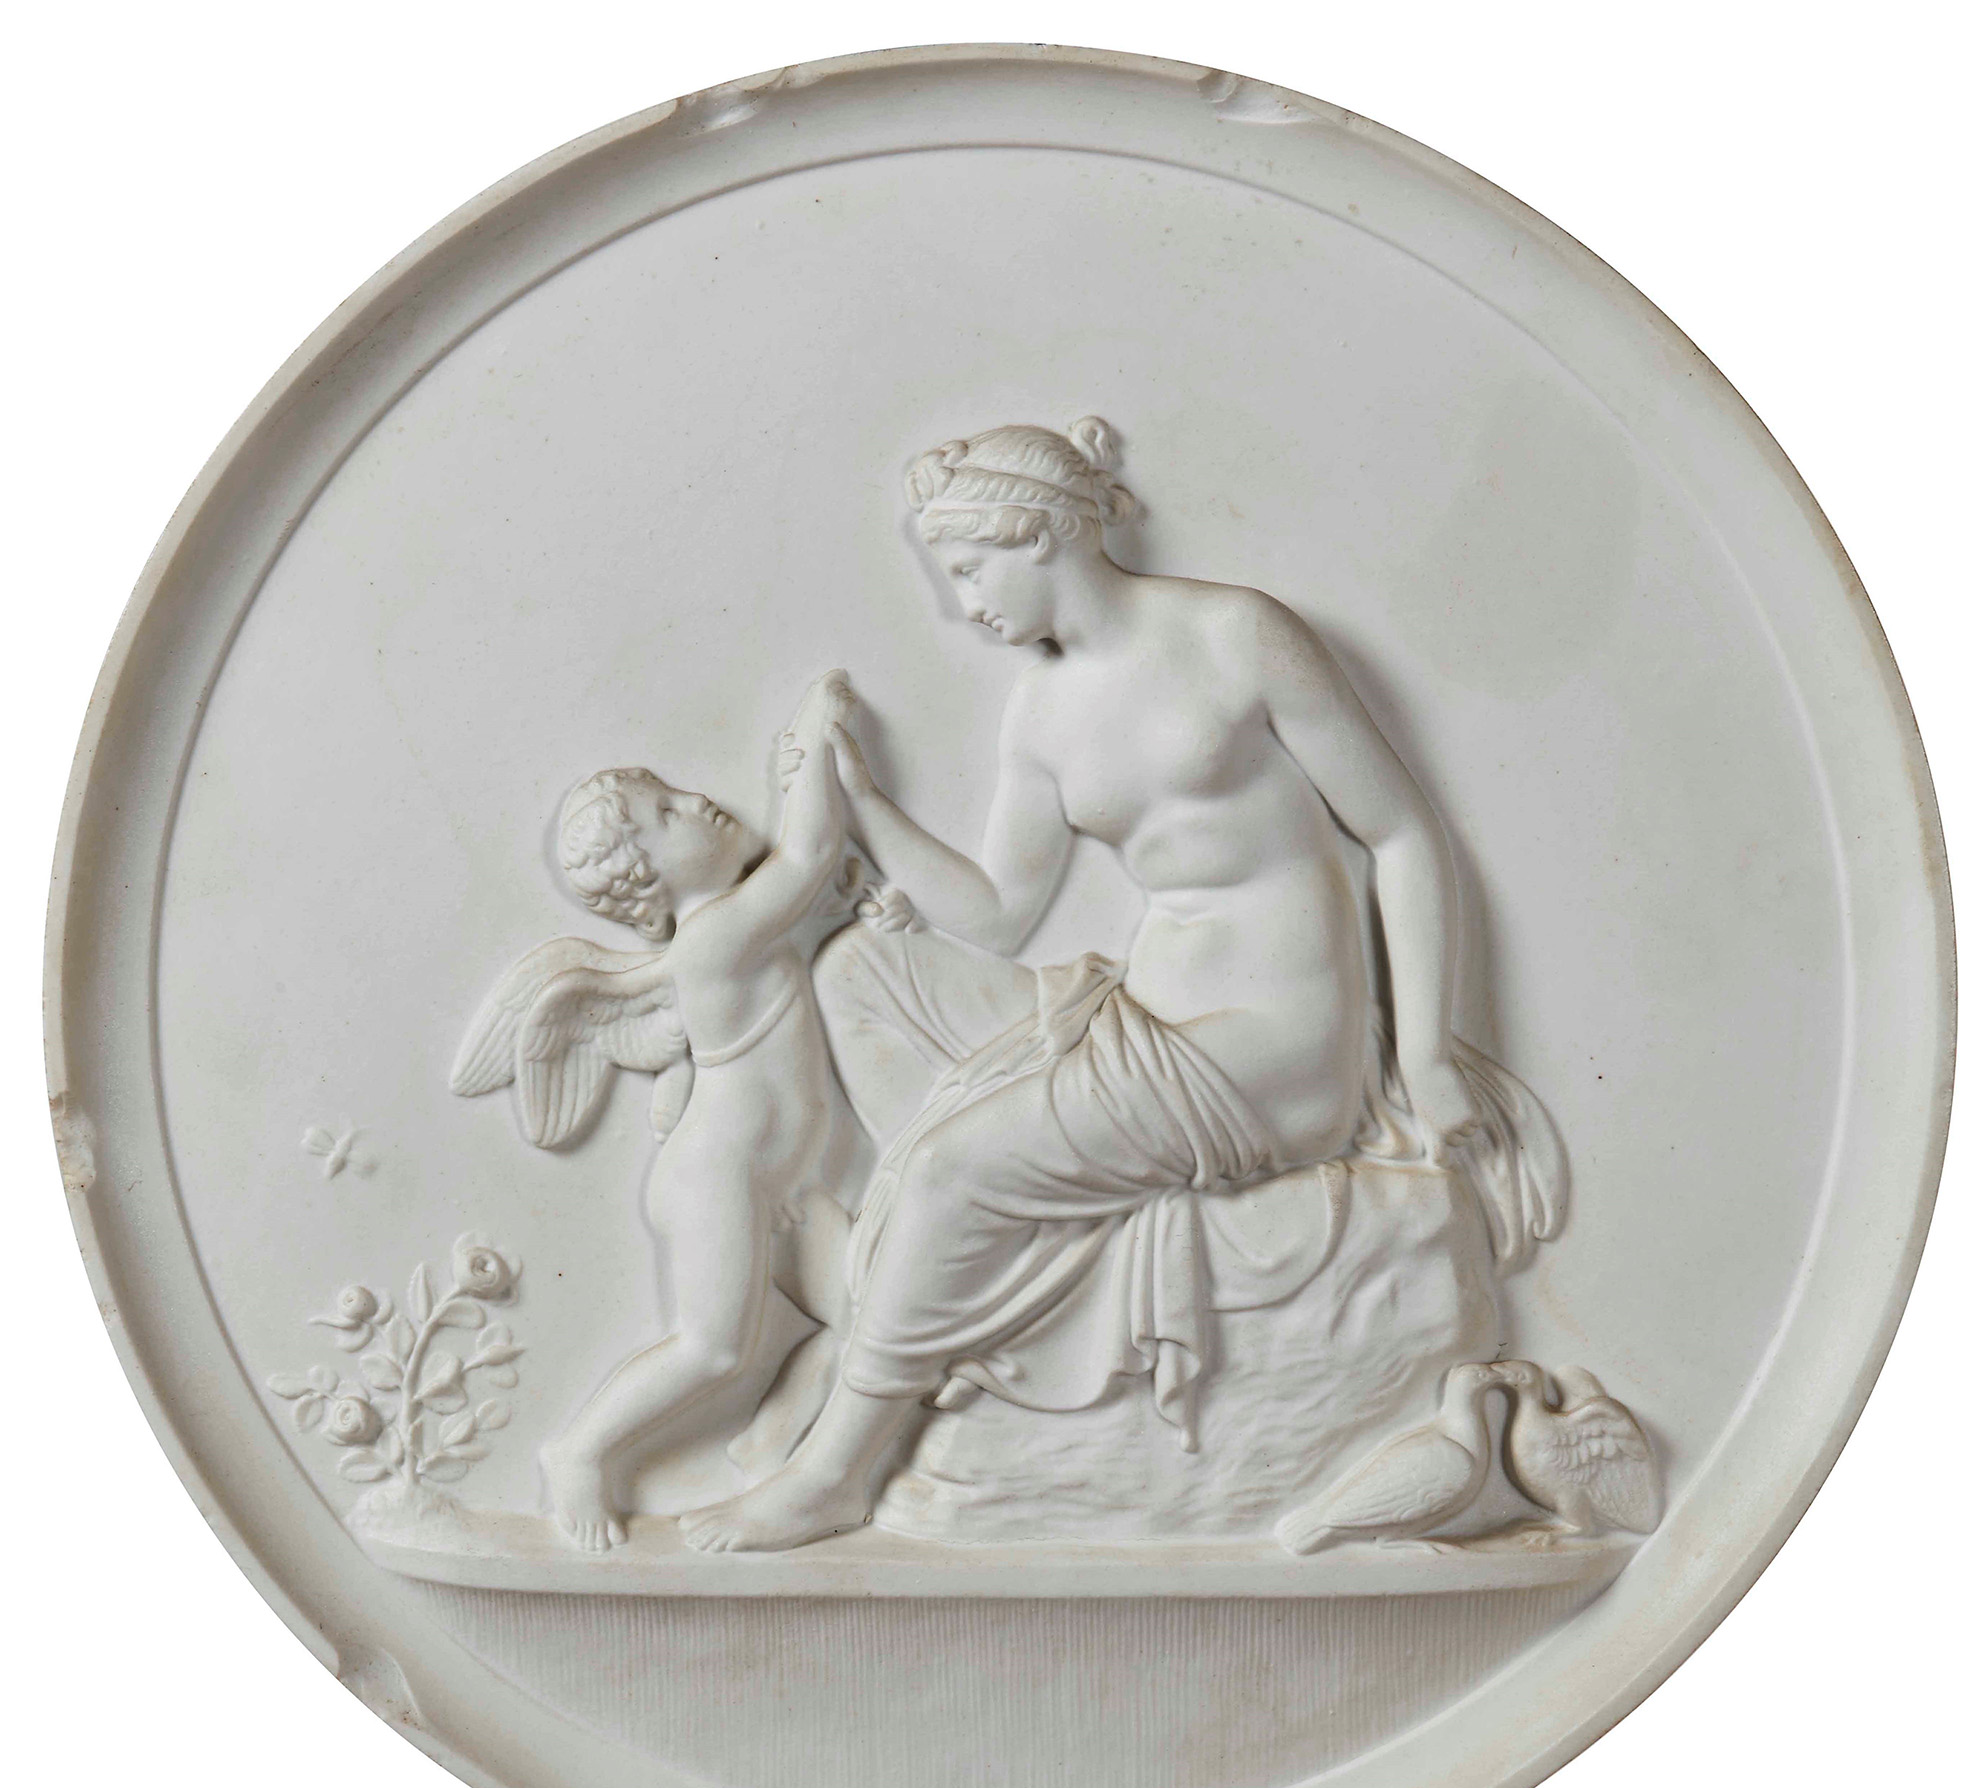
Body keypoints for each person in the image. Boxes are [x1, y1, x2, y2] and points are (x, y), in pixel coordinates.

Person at [680, 420, 1560, 1554]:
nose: (960, 606)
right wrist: (863, 805)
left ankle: (837, 1470)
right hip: (1136, 1013)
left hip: (1267, 1047)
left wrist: (1428, 1052)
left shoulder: (1237, 636)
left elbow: (1401, 832)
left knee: (951, 1167)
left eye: (969, 570)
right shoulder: (1042, 712)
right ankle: (977, 1255)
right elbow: (997, 911)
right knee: (860, 971)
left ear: (1040, 535)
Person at [453, 674, 861, 1550]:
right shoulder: (714, 938)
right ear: (647, 881)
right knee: (713, 1348)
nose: (696, 801)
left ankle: (773, 1437)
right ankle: (579, 1452)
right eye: (667, 814)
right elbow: (808, 855)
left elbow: (815, 886)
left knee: (879, 1322)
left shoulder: (732, 929)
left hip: (780, 1183)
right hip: (721, 1176)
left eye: (675, 792)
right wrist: (812, 744)